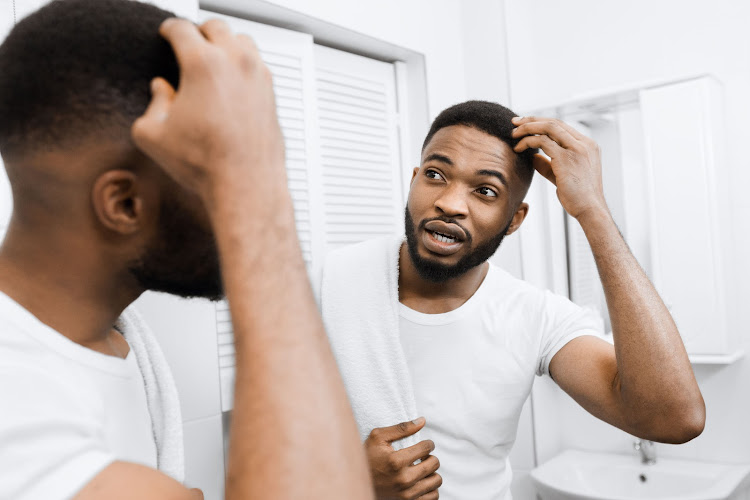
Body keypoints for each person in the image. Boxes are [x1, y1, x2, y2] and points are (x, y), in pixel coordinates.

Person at [0, 1, 373, 499]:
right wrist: (253, 195)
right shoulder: (14, 408)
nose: (242, 195)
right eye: (216, 169)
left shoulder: (116, 338)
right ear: (126, 204)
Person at [317, 100, 706, 500]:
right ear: (415, 179)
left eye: (485, 191)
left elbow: (674, 419)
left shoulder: (537, 317)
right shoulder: (328, 283)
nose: (450, 204)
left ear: (514, 219)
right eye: (435, 174)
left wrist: (593, 211)